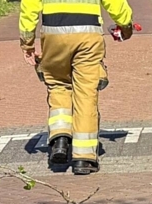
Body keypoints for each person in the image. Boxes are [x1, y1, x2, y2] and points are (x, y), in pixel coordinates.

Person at [20, 0, 134, 175]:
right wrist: (125, 24)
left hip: (53, 34)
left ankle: (60, 138)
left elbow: (29, 6)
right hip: (88, 34)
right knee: (86, 92)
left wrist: (27, 42)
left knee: (58, 84)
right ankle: (84, 158)